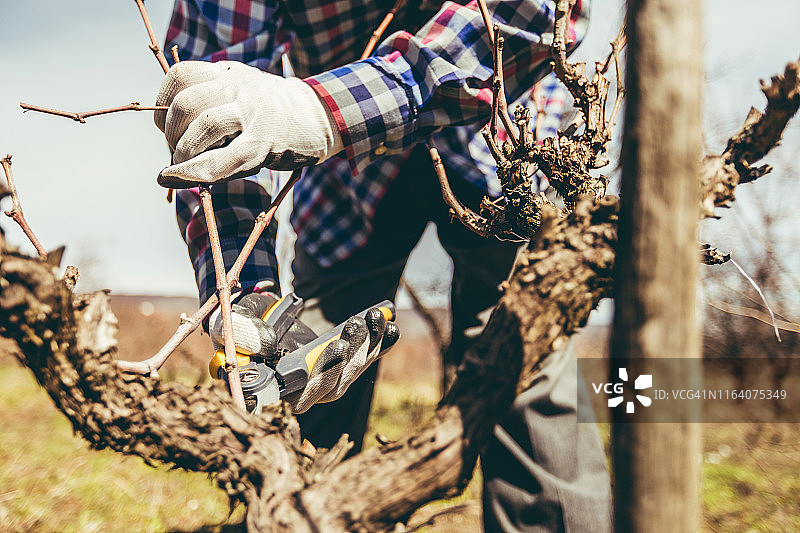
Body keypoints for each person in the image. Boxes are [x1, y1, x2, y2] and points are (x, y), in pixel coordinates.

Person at [155, 1, 612, 530]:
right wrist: (244, 290)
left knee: (522, 361)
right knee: (304, 380)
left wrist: (321, 111)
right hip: (346, 180)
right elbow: (206, 121)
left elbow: (539, 11)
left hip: (503, 146)